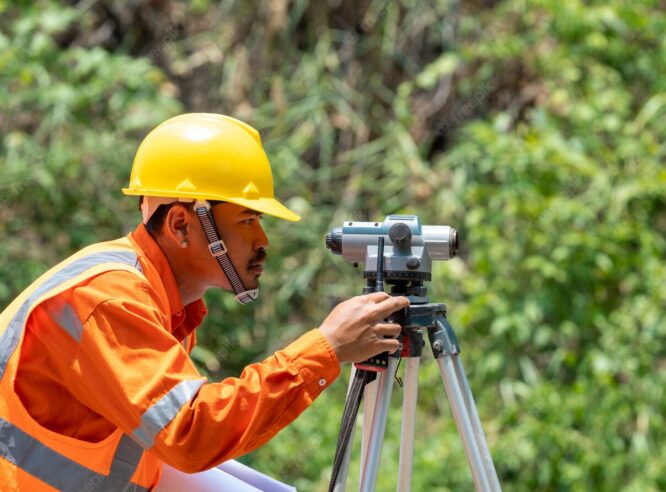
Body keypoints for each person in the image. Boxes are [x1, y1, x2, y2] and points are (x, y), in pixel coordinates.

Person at [0, 113, 409, 490]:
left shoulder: (158, 298)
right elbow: (189, 435)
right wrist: (325, 349)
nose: (262, 241)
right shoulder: (108, 300)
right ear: (181, 224)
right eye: (248, 220)